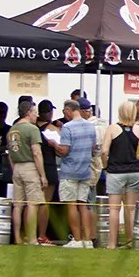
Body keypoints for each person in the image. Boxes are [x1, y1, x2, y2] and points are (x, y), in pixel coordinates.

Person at [46, 98, 98, 248]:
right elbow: (93, 148)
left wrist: (54, 144)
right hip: (85, 170)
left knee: (71, 205)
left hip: (70, 171)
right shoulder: (90, 126)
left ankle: (77, 239)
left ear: (69, 110)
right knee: (83, 205)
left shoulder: (67, 127)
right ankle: (87, 240)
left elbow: (64, 151)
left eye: (64, 111)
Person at [99, 100, 139, 248]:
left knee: (114, 209)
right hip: (134, 172)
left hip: (116, 172)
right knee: (131, 209)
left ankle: (112, 243)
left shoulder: (112, 129)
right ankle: (131, 240)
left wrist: (105, 166)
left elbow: (104, 151)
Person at [4, 100, 46, 245]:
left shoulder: (12, 130)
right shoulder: (32, 129)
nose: (37, 115)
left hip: (16, 167)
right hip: (30, 167)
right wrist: (42, 175)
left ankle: (17, 238)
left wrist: (14, 169)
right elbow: (36, 153)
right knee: (33, 204)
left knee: (17, 205)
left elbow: (10, 154)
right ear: (28, 113)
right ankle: (32, 238)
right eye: (35, 112)